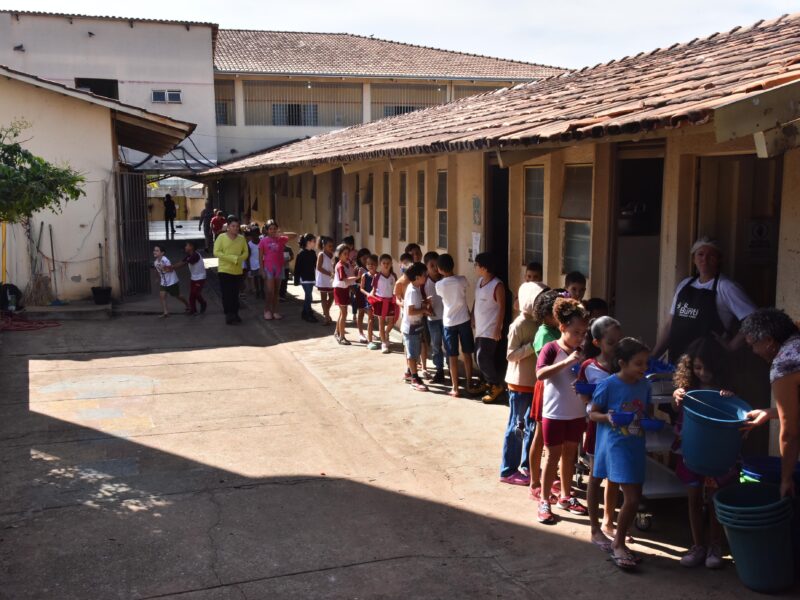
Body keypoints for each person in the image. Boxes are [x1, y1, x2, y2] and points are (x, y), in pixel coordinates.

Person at [671, 337, 736, 569]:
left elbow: (737, 414)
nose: (703, 373)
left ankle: (715, 545)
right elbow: (676, 407)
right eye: (697, 368)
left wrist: (729, 398)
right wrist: (676, 396)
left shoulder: (726, 391)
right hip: (690, 451)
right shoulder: (688, 389)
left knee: (714, 499)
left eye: (707, 368)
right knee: (694, 498)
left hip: (716, 454)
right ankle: (698, 545)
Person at [589, 337, 652, 570]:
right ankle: (618, 544)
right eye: (638, 364)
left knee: (635, 497)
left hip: (636, 445)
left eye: (646, 363)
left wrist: (650, 422)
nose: (643, 369)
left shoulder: (645, 385)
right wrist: (608, 417)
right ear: (622, 363)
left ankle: (618, 537)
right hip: (616, 446)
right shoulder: (609, 385)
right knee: (632, 498)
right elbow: (593, 414)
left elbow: (646, 413)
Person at [652, 237, 757, 363]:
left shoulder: (726, 287)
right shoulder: (684, 284)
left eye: (711, 255)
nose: (704, 260)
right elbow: (670, 325)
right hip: (678, 361)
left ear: (719, 260)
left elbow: (755, 318)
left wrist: (732, 346)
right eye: (700, 254)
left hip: (708, 366)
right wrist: (653, 358)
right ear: (693, 259)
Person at [536, 298, 590, 524]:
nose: (580, 337)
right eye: (576, 332)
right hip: (554, 413)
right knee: (551, 457)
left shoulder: (582, 351)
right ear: (562, 328)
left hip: (576, 412)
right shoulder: (552, 348)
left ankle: (566, 497)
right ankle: (545, 500)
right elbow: (540, 374)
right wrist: (567, 361)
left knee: (570, 455)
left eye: (583, 333)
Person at [739, 308, 800, 499]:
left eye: (753, 345)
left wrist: (786, 479)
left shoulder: (784, 364)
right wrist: (772, 412)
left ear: (769, 341)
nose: (753, 351)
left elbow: (790, 432)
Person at [577, 316, 622, 549]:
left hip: (619, 430)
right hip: (598, 428)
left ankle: (609, 521)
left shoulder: (623, 365)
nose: (616, 347)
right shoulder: (589, 367)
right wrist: (593, 408)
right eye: (611, 342)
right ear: (597, 343)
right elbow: (583, 396)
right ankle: (594, 528)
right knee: (596, 477)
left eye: (619, 341)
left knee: (614, 477)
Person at [501, 281, 548, 486]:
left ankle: (527, 465)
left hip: (535, 382)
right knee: (516, 427)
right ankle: (508, 470)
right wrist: (532, 346)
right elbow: (511, 355)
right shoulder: (519, 324)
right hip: (519, 384)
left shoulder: (540, 323)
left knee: (532, 427)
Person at [528, 289, 564, 498]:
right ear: (546, 314)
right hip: (546, 388)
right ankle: (535, 482)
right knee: (540, 436)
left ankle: (551, 478)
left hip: (558, 388)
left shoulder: (556, 330)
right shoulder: (544, 335)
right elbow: (547, 367)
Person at [436, 254, 480, 397]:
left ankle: (455, 387)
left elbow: (443, 296)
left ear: (440, 269)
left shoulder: (439, 285)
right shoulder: (462, 280)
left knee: (452, 355)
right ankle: (469, 381)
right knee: (467, 352)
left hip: (449, 322)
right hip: (464, 319)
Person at [473, 252, 506, 404]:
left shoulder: (497, 285)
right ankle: (487, 382)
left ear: (485, 268)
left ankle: (496, 385)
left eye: (477, 265)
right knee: (478, 357)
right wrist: (473, 315)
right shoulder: (480, 281)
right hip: (480, 327)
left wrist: (498, 328)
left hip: (490, 328)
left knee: (483, 357)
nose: (475, 267)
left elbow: (501, 307)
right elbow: (476, 300)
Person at [258, 219, 297, 321]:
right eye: (270, 229)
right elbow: (260, 257)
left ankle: (275, 311)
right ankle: (267, 310)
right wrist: (262, 270)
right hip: (268, 268)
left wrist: (281, 233)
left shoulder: (281, 239)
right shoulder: (263, 241)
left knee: (276, 291)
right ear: (267, 230)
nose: (273, 231)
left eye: (274, 229)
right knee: (270, 291)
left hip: (279, 268)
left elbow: (294, 235)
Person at [213, 215, 248, 325]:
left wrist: (238, 259)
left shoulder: (241, 239)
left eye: (237, 226)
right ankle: (229, 314)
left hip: (237, 270)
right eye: (233, 226)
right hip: (224, 270)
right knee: (227, 293)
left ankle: (235, 313)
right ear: (228, 227)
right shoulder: (221, 237)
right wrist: (231, 258)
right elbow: (216, 252)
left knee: (235, 293)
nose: (235, 228)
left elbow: (246, 253)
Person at [402, 262, 432, 392]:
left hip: (415, 325)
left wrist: (424, 303)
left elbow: (414, 305)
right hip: (411, 327)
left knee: (413, 350)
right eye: (424, 275)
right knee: (413, 354)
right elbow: (411, 311)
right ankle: (415, 378)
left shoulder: (415, 288)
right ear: (417, 277)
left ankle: (409, 373)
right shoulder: (413, 291)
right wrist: (424, 310)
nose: (426, 276)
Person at [423, 251, 445, 384]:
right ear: (426, 267)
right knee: (435, 345)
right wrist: (426, 308)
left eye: (437, 265)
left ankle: (451, 368)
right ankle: (439, 371)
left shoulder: (445, 280)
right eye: (432, 266)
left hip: (447, 319)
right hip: (433, 320)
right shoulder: (424, 283)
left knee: (448, 346)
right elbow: (420, 300)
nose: (435, 269)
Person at [368, 253, 397, 354]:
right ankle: (383, 342)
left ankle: (385, 333)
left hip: (390, 301)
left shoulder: (393, 276)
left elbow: (396, 289)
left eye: (388, 263)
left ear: (391, 264)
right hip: (380, 301)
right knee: (381, 322)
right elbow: (374, 289)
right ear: (380, 264)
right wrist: (371, 296)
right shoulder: (377, 276)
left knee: (392, 321)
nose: (386, 265)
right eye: (384, 263)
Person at [171, 241, 207, 316]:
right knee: (192, 295)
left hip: (200, 277)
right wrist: (172, 267)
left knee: (195, 293)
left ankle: (203, 303)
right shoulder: (189, 255)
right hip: (194, 277)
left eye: (187, 246)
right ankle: (193, 310)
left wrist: (172, 267)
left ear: (191, 247)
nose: (185, 247)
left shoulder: (195, 255)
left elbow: (184, 263)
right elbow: (182, 261)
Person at [153, 244, 189, 317]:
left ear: (162, 253)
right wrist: (157, 277)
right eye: (154, 250)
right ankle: (166, 312)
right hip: (164, 282)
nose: (154, 252)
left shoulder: (165, 260)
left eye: (157, 251)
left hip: (172, 281)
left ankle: (188, 304)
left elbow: (170, 269)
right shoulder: (156, 262)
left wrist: (164, 267)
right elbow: (157, 270)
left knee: (178, 295)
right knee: (162, 295)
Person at [333, 244, 358, 345]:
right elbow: (345, 279)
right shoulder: (340, 266)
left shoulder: (347, 264)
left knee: (342, 313)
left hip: (344, 290)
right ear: (339, 255)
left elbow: (349, 279)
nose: (347, 256)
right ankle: (341, 337)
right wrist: (358, 277)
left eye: (348, 254)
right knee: (344, 314)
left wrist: (352, 288)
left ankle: (337, 332)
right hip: (339, 290)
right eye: (345, 254)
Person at [295, 233, 319, 323]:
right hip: (304, 279)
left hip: (311, 278)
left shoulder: (313, 253)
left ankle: (305, 312)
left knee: (309, 297)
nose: (315, 243)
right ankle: (308, 313)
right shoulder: (301, 253)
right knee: (309, 296)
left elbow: (315, 266)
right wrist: (296, 280)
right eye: (314, 241)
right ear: (308, 242)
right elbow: (297, 267)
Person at [360, 254, 379, 349]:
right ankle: (370, 341)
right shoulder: (365, 276)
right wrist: (368, 294)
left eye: (373, 264)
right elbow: (361, 289)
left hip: (378, 300)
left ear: (377, 264)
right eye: (368, 264)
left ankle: (383, 338)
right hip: (369, 300)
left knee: (380, 319)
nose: (370, 266)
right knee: (370, 320)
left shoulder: (379, 276)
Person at [315, 237, 335, 325]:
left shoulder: (333, 255)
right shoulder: (321, 255)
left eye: (332, 246)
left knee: (332, 297)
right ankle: (327, 317)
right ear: (324, 246)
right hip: (323, 279)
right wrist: (329, 273)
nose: (331, 247)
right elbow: (319, 268)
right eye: (329, 246)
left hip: (331, 279)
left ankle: (326, 311)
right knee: (323, 298)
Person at [354, 249, 371, 343]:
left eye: (367, 258)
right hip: (360, 293)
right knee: (360, 312)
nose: (366, 260)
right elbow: (355, 281)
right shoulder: (358, 269)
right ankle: (361, 333)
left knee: (370, 314)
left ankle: (370, 332)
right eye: (364, 259)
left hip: (369, 293)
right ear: (359, 259)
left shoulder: (371, 268)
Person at [246, 231, 263, 298]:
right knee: (255, 278)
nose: (254, 237)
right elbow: (248, 255)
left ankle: (262, 291)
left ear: (258, 234)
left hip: (261, 263)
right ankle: (257, 291)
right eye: (253, 235)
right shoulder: (249, 244)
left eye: (256, 235)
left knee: (261, 278)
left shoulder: (262, 242)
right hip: (253, 264)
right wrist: (248, 266)